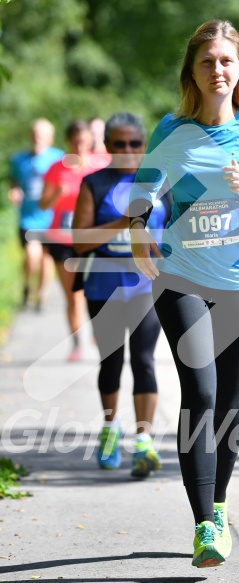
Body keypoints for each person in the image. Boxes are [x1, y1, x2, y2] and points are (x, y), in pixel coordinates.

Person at [128, 20, 239, 569]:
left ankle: (218, 507)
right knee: (199, 394)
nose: (218, 70)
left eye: (226, 61)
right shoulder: (171, 130)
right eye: (207, 62)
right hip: (180, 280)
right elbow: (139, 194)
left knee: (228, 402)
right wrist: (137, 233)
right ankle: (204, 524)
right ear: (193, 72)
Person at [72, 112, 169, 476]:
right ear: (108, 146)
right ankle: (110, 431)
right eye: (120, 143)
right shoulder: (94, 184)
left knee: (144, 359)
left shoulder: (160, 182)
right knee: (111, 362)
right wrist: (123, 222)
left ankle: (143, 442)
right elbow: (80, 244)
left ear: (145, 146)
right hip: (104, 286)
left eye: (135, 143)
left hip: (148, 287)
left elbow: (175, 236)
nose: (128, 150)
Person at [40, 119, 107, 361]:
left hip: (91, 239)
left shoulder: (101, 166)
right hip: (62, 239)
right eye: (75, 142)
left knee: (95, 290)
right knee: (72, 295)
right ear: (67, 142)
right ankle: (77, 343)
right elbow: (42, 204)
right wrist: (56, 194)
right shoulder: (56, 168)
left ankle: (99, 332)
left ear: (90, 141)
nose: (80, 147)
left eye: (84, 142)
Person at [8, 118, 63, 310]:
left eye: (42, 134)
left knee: (46, 259)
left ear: (50, 138)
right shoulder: (19, 159)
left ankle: (41, 295)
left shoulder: (59, 158)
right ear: (30, 135)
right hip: (28, 218)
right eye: (35, 133)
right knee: (33, 255)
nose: (37, 137)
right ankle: (26, 286)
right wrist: (14, 191)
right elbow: (14, 182)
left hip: (52, 219)